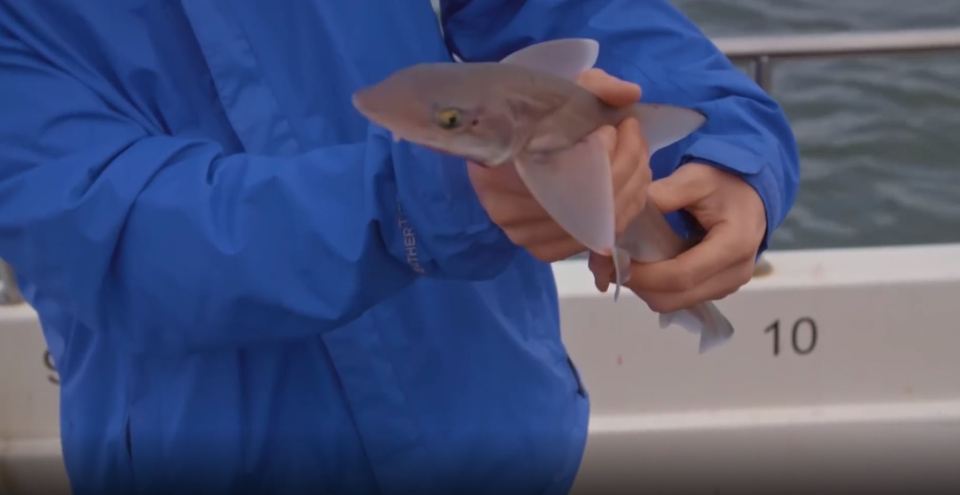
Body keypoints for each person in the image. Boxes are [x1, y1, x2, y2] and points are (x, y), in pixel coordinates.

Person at [0, 1, 798, 494]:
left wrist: (720, 142)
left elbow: (554, 5)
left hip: (492, 437)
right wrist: (424, 198)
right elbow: (120, 232)